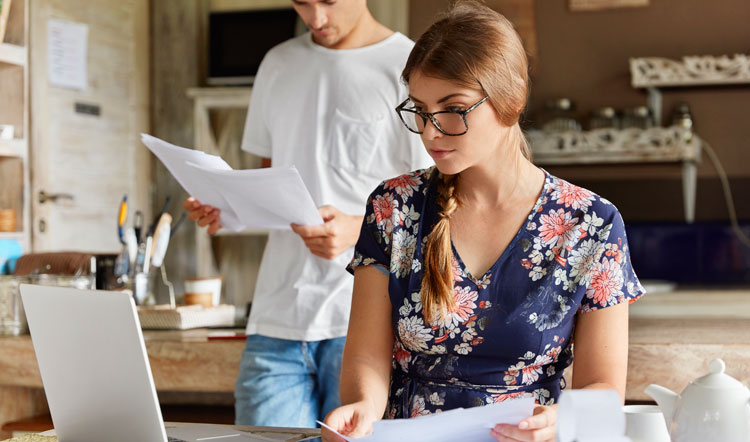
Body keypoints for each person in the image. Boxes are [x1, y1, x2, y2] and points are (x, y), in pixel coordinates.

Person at [322, 2, 645, 441]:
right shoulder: (392, 207)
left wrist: (561, 423)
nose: (431, 131)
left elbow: (603, 392)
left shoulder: (592, 224)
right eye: (419, 108)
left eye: (452, 108)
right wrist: (362, 405)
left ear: (509, 99)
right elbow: (366, 360)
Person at [184, 0, 432, 429]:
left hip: (365, 320)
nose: (316, 19)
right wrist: (229, 208)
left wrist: (361, 229)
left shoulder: (409, 66)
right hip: (278, 316)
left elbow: (435, 197)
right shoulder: (278, 64)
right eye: (302, 3)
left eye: (329, 3)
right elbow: (270, 182)